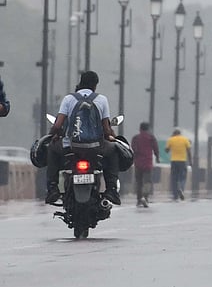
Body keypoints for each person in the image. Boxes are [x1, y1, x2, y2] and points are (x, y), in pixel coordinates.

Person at [45, 71, 120, 206]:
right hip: (96, 147)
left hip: (71, 147)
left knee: (52, 149)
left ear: (80, 82)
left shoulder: (68, 99)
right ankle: (112, 189)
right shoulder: (102, 99)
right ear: (95, 85)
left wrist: (52, 136)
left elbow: (57, 125)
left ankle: (52, 188)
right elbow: (106, 128)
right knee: (113, 150)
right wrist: (112, 137)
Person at [130, 121, 158, 208]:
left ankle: (139, 199)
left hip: (138, 163)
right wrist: (157, 157)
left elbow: (133, 149)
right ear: (148, 129)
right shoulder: (151, 138)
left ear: (140, 128)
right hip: (148, 163)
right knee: (147, 181)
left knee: (139, 182)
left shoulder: (135, 138)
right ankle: (145, 197)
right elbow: (156, 148)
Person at [166, 128, 190, 201]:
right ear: (180, 133)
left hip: (174, 161)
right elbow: (189, 151)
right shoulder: (185, 139)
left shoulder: (171, 139)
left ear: (174, 134)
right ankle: (181, 189)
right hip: (182, 161)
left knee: (174, 178)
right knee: (183, 177)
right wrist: (190, 161)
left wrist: (171, 142)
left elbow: (166, 150)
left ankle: (175, 194)